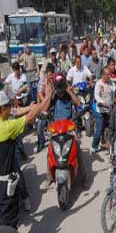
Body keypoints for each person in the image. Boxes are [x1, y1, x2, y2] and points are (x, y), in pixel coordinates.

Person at [0, 85, 52, 228]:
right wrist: (47, 97)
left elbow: (18, 111)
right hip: (5, 185)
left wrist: (31, 106)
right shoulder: (6, 127)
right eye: (7, 107)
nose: (10, 109)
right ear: (2, 109)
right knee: (8, 221)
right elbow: (30, 117)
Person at [91, 67, 115, 154]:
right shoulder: (98, 84)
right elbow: (96, 95)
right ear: (103, 75)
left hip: (109, 109)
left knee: (112, 127)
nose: (109, 76)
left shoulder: (111, 83)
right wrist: (101, 102)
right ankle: (94, 146)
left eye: (109, 74)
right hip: (100, 110)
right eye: (107, 74)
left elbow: (115, 91)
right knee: (99, 129)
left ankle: (110, 144)